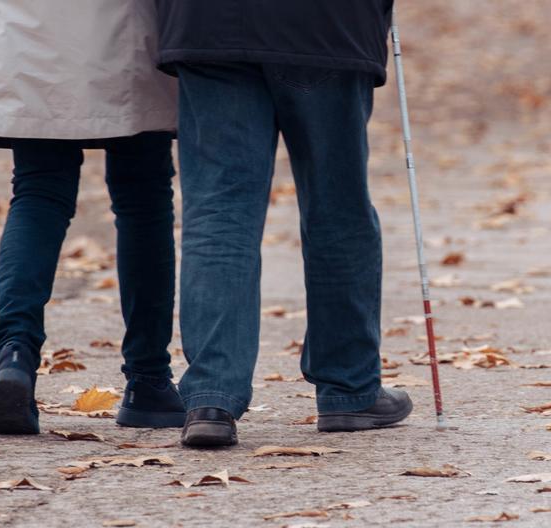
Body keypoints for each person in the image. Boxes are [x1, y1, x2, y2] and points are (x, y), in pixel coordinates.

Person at [154, 0, 413, 448]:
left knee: (219, 209)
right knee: (338, 205)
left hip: (207, 23)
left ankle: (212, 397)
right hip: (328, 25)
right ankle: (349, 387)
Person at [0, 0, 185, 435]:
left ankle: (15, 356)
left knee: (37, 193)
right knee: (143, 200)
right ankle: (148, 381)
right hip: (129, 32)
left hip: (30, 34)